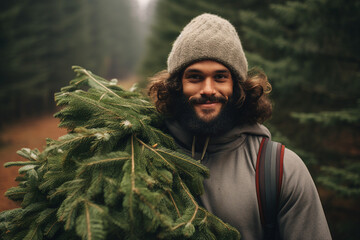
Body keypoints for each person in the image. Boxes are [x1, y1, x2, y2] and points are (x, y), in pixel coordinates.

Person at [148, 13, 332, 240]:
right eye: (194, 77)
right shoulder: (144, 156)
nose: (208, 89)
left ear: (238, 88)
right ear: (176, 86)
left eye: (220, 77)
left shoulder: (281, 170)